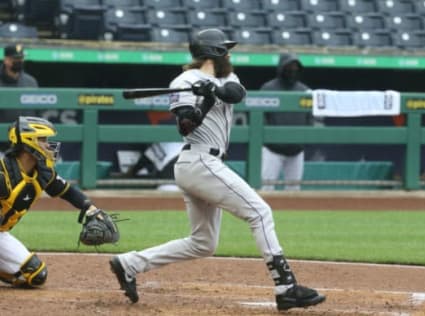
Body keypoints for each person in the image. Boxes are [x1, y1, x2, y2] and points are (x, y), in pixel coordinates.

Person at [109, 28, 326, 311]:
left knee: (203, 243)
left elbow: (235, 94)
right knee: (260, 212)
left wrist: (212, 89)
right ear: (213, 52)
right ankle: (287, 287)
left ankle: (130, 263)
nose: (230, 53)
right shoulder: (184, 81)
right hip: (198, 161)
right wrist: (204, 100)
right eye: (225, 49)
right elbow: (185, 126)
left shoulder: (227, 77)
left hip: (207, 164)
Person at [0, 116, 101, 287]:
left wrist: (90, 208)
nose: (48, 145)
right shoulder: (3, 174)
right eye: (43, 140)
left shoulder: (42, 172)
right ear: (28, 142)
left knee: (35, 274)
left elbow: (68, 191)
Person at [260, 53, 313, 191]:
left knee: (294, 191)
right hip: (273, 150)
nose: (292, 69)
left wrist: (302, 141)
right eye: (289, 66)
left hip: (296, 151)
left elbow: (309, 118)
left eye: (295, 66)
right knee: (266, 190)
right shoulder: (268, 88)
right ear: (282, 67)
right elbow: (260, 118)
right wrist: (269, 140)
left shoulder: (304, 90)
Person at [0, 44, 39, 123]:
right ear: (6, 60)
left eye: (21, 58)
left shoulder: (31, 82)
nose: (19, 61)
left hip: (25, 132)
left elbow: (36, 111)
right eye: (16, 58)